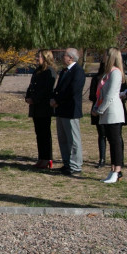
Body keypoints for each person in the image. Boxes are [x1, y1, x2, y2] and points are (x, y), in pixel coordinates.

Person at [92, 47, 127, 184]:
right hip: (105, 112)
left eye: (105, 55)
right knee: (110, 141)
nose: (103, 57)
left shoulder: (116, 73)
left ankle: (117, 170)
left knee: (115, 142)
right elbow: (101, 94)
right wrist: (96, 107)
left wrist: (99, 110)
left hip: (113, 112)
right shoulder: (107, 73)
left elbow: (110, 96)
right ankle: (112, 169)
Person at [50, 47, 85, 176]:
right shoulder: (64, 71)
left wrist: (58, 100)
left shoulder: (78, 71)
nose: (62, 57)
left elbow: (73, 91)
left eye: (64, 55)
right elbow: (59, 88)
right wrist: (53, 98)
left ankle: (75, 166)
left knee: (73, 139)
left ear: (71, 57)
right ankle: (67, 163)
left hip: (71, 110)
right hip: (61, 110)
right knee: (63, 138)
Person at [25, 49, 57, 169]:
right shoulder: (37, 71)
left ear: (46, 57)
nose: (36, 58)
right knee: (39, 133)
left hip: (44, 107)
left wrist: (35, 99)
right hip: (35, 107)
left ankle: (47, 158)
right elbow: (31, 86)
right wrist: (28, 97)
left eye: (39, 56)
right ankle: (41, 157)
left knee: (45, 134)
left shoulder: (50, 72)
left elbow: (46, 91)